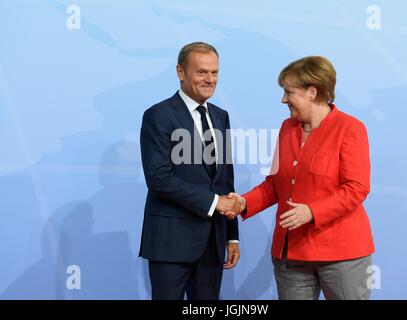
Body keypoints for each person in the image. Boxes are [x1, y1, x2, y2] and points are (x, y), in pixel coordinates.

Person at [228, 56, 375, 300]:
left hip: (341, 254)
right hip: (291, 252)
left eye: (289, 92)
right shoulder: (288, 128)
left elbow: (356, 188)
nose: (283, 99)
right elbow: (275, 184)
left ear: (312, 92)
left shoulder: (350, 128)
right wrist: (243, 203)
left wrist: (312, 211)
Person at [139, 42, 241, 300]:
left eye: (214, 73)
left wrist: (231, 237)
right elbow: (159, 179)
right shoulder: (158, 115)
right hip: (170, 243)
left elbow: (224, 178)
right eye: (202, 72)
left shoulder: (221, 116)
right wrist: (216, 203)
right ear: (180, 72)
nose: (210, 80)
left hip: (212, 244)